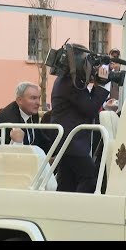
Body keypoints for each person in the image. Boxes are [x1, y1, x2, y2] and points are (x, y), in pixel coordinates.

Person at [50, 44, 110, 193]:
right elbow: (89, 108)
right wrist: (101, 85)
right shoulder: (71, 82)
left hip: (69, 140)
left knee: (67, 181)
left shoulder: (68, 80)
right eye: (86, 61)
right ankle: (80, 212)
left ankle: (65, 211)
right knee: (90, 177)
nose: (88, 65)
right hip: (72, 141)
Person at [0, 81, 50, 153]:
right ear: (19, 100)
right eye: (33, 98)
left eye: (39, 98)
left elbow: (39, 138)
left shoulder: (32, 113)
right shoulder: (8, 119)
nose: (38, 103)